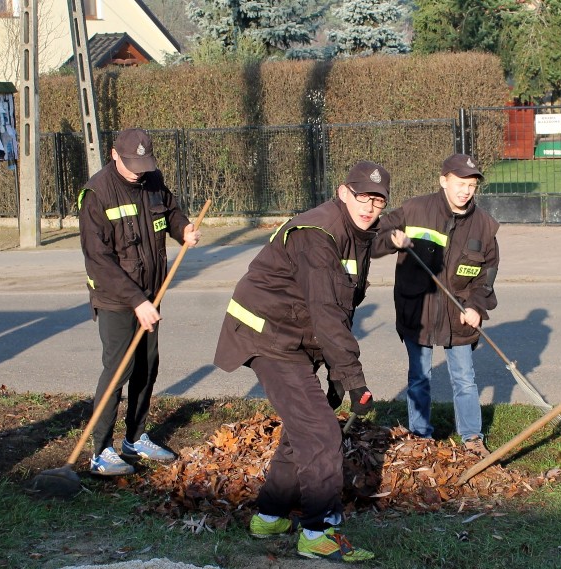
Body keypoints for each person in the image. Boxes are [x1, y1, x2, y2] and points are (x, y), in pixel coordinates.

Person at [213, 161, 390, 562]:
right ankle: (319, 531)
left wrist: (337, 374)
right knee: (322, 433)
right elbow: (327, 311)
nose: (370, 206)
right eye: (363, 196)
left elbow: (341, 307)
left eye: (378, 201)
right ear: (343, 192)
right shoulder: (318, 233)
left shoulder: (357, 233)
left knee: (302, 428)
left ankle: (272, 515)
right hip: (268, 335)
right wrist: (355, 381)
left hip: (295, 336)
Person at [78, 128, 201, 476]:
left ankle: (135, 437)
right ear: (114, 154)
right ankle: (101, 450)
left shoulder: (152, 180)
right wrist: (135, 300)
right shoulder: (96, 194)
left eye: (143, 163)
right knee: (119, 370)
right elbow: (98, 259)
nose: (138, 170)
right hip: (116, 298)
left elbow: (171, 212)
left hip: (152, 292)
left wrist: (184, 230)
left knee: (147, 367)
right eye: (132, 163)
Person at [373, 153, 499, 458]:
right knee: (420, 377)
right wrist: (392, 239)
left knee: (465, 379)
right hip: (418, 313)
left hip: (459, 318)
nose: (465, 190)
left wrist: (477, 308)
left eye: (471, 185)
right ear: (443, 181)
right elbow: (373, 240)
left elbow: (486, 277)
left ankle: (471, 438)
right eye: (459, 183)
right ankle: (420, 437)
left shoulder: (484, 226)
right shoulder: (415, 209)